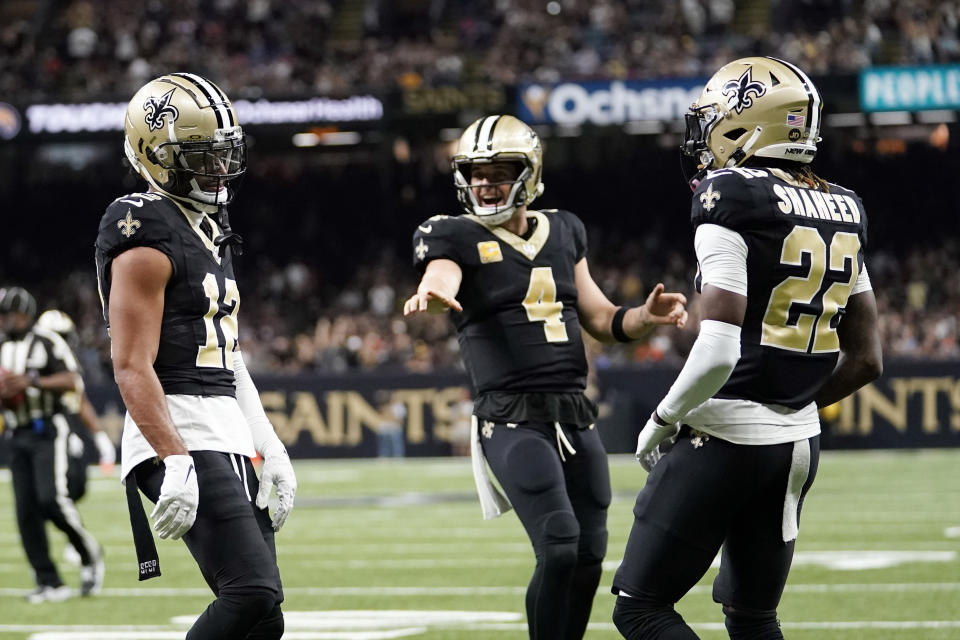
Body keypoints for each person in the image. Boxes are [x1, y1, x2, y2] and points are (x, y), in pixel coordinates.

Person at [611, 57, 883, 639]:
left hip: (725, 434)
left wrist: (662, 419)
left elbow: (717, 348)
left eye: (714, 120)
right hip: (798, 445)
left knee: (640, 607)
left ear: (749, 122)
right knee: (754, 616)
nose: (703, 136)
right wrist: (793, 403)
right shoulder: (845, 206)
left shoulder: (729, 195)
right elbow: (866, 359)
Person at [404, 114, 688, 640]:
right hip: (511, 418)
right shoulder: (451, 234)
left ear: (530, 173)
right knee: (558, 545)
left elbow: (602, 319)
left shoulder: (564, 230)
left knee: (588, 555)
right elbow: (441, 270)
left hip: (574, 413)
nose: (486, 183)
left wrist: (645, 318)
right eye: (476, 172)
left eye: (500, 170)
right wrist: (435, 288)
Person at [94, 73, 296, 639]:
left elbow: (228, 354)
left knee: (265, 618)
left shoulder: (209, 225)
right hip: (178, 425)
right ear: (154, 157)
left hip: (224, 425)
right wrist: (174, 458)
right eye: (199, 159)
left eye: (222, 156)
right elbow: (131, 363)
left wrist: (268, 443)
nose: (217, 171)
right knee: (249, 592)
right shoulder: (142, 227)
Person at [0, 287, 105, 602]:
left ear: (24, 314)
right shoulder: (2, 347)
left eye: (9, 314)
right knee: (25, 512)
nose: (5, 320)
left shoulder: (47, 341)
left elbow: (72, 380)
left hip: (47, 429)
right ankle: (50, 581)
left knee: (51, 499)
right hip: (17, 433)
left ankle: (89, 552)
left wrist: (31, 381)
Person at [34, 309, 116, 504]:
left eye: (63, 336)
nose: (61, 342)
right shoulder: (33, 363)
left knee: (77, 484)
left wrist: (100, 437)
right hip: (41, 434)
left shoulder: (68, 364)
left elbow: (78, 399)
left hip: (65, 430)